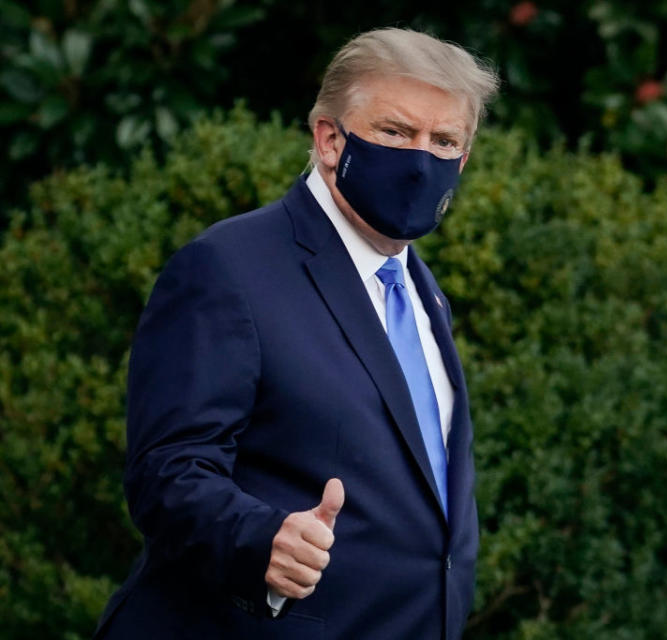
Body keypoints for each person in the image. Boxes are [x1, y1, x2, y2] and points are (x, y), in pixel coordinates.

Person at [94, 28, 498, 640]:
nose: (422, 159)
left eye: (444, 141)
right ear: (330, 139)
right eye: (394, 132)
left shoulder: (422, 290)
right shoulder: (229, 267)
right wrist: (262, 541)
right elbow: (167, 472)